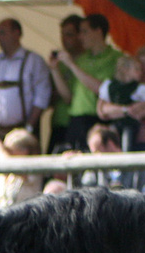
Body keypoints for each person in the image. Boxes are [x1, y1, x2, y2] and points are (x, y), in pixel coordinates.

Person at [0, 18, 52, 150]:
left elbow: (42, 96)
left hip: (24, 131)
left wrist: (29, 127)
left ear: (17, 33)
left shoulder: (33, 61)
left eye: (3, 33)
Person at [49, 13, 123, 151]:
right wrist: (54, 70)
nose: (80, 37)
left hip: (98, 120)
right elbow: (68, 97)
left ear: (98, 31)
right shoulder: (81, 60)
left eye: (84, 32)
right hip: (75, 120)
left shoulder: (116, 59)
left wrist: (72, 65)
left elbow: (102, 89)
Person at [96, 55, 145, 152]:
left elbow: (142, 108)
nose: (140, 73)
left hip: (130, 125)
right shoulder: (110, 86)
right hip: (114, 124)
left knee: (127, 142)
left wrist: (115, 110)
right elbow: (103, 110)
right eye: (137, 69)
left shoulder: (142, 88)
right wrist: (126, 110)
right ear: (125, 70)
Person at [45, 15, 84, 152]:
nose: (64, 39)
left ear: (80, 36)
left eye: (69, 34)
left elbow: (69, 98)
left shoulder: (85, 62)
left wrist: (56, 72)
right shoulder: (60, 63)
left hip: (75, 123)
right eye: (62, 34)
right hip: (57, 122)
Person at [0, 128, 43, 208]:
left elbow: (11, 166)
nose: (6, 154)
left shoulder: (34, 169)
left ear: (25, 152)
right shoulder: (5, 172)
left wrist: (0, 150)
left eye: (10, 151)